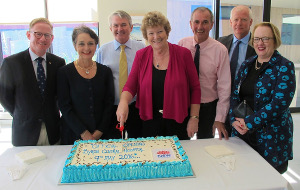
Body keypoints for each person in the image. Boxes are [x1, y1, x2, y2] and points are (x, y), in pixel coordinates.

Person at [116, 11, 201, 140]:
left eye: (160, 31)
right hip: (149, 122)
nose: (156, 36)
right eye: (151, 33)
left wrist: (194, 118)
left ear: (167, 32)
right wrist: (123, 102)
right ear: (146, 35)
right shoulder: (141, 55)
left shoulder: (183, 54)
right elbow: (130, 86)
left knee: (178, 158)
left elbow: (195, 88)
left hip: (178, 121)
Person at [229, 22, 296, 174]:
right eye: (257, 38)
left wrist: (250, 122)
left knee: (268, 179)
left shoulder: (284, 66)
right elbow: (234, 95)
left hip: (271, 137)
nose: (260, 43)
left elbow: (279, 104)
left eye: (265, 39)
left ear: (275, 40)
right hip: (243, 133)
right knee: (244, 175)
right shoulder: (247, 64)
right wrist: (233, 119)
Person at [0, 18, 65, 146]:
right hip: (25, 130)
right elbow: (4, 96)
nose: (43, 39)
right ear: (28, 35)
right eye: (38, 34)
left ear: (52, 39)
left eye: (47, 35)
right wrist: (22, 112)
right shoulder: (12, 63)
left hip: (53, 130)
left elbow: (60, 94)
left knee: (54, 164)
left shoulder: (58, 63)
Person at [178, 7, 230, 140]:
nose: (200, 26)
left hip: (208, 108)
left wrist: (220, 118)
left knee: (206, 145)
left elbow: (224, 86)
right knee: (182, 144)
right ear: (190, 24)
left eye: (205, 22)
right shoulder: (182, 45)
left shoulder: (220, 50)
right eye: (196, 22)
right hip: (184, 105)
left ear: (212, 24)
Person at [57, 25, 114, 145]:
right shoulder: (64, 72)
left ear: (96, 46)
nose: (86, 48)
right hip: (73, 134)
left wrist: (99, 131)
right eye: (81, 44)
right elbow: (64, 106)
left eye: (91, 43)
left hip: (103, 135)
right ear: (75, 46)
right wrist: (84, 133)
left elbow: (109, 103)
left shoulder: (105, 71)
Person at [96, 10, 145, 139]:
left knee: (137, 144)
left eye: (123, 24)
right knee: (115, 147)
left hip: (136, 106)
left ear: (131, 27)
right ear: (110, 28)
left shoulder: (142, 49)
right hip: (112, 108)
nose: (119, 29)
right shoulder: (103, 51)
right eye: (116, 25)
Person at [217, 5, 257, 136]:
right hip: (223, 99)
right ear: (230, 22)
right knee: (224, 138)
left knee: (244, 141)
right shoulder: (221, 43)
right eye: (236, 19)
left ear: (250, 22)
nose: (239, 23)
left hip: (246, 103)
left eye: (244, 19)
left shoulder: (258, 45)